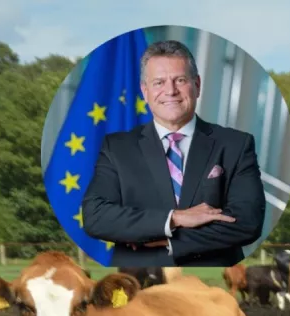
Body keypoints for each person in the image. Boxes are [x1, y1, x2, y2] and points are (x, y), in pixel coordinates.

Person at [82, 40, 266, 267]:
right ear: (145, 91)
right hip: (139, 279)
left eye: (180, 80)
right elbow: (96, 216)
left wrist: (168, 240)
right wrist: (174, 219)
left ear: (197, 85)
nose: (170, 91)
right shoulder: (117, 147)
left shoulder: (236, 145)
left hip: (212, 281)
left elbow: (247, 222)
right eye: (159, 82)